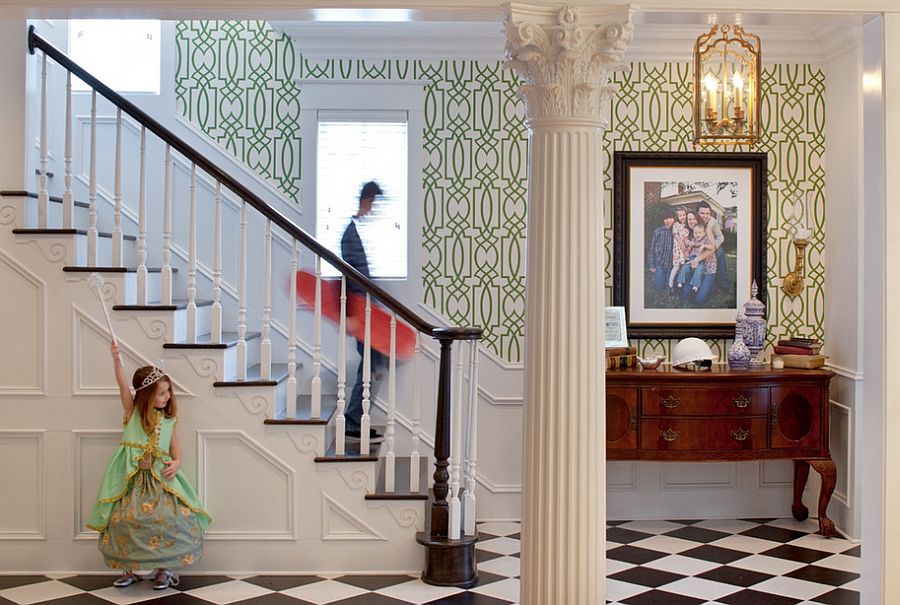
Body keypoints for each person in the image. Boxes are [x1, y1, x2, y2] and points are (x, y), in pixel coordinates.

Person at [87, 342, 211, 589]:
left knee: (167, 519)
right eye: (161, 393)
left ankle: (165, 569)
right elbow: (123, 386)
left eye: (168, 393)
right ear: (146, 396)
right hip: (132, 480)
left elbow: (174, 448)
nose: (167, 397)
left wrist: (176, 462)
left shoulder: (169, 420)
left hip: (161, 478)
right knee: (126, 520)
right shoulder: (132, 412)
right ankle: (131, 569)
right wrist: (116, 360)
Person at [341, 181, 387, 444]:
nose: (375, 210)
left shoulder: (358, 231)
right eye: (375, 204)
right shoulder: (351, 233)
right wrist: (351, 314)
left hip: (368, 309)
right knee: (370, 364)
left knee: (374, 364)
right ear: (368, 200)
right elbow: (350, 276)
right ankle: (353, 420)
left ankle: (355, 418)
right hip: (361, 311)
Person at [676, 223, 717, 292]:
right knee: (685, 267)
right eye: (695, 233)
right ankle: (680, 281)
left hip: (701, 259)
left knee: (699, 269)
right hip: (692, 257)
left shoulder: (706, 239)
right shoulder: (693, 239)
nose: (697, 235)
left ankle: (696, 285)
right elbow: (689, 249)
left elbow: (712, 247)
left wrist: (704, 246)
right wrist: (690, 246)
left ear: (704, 233)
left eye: (699, 233)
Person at [697, 201, 728, 287]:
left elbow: (720, 237)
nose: (705, 216)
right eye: (702, 213)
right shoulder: (694, 220)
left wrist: (715, 246)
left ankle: (723, 283)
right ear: (697, 213)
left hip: (710, 246)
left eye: (707, 213)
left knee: (720, 251)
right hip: (697, 247)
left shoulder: (713, 222)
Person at [647, 208, 675, 290]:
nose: (668, 220)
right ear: (663, 220)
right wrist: (652, 264)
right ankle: (655, 279)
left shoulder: (675, 232)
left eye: (670, 218)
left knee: (668, 286)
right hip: (659, 262)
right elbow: (652, 248)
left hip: (670, 263)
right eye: (665, 218)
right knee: (658, 288)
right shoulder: (658, 231)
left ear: (673, 219)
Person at [668, 207, 690, 288]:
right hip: (678, 249)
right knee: (676, 266)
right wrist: (682, 245)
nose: (683, 217)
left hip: (684, 250)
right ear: (677, 217)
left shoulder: (686, 226)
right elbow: (675, 235)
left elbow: (686, 238)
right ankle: (670, 282)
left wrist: (687, 247)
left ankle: (680, 282)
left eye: (684, 215)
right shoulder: (676, 224)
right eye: (680, 215)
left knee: (683, 266)